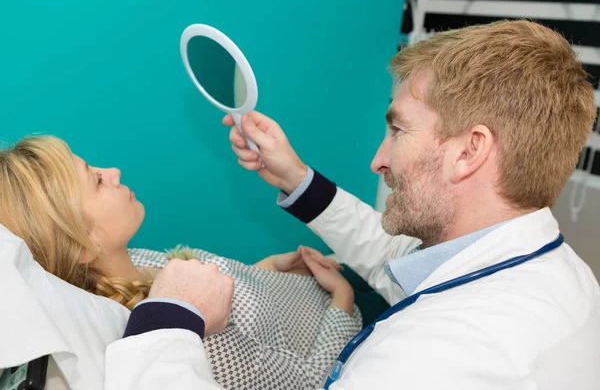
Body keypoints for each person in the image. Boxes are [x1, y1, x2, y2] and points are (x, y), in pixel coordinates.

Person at [105, 19, 600, 389]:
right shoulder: (547, 271)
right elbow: (401, 264)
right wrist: (297, 179)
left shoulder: (435, 357)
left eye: (398, 129)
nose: (377, 160)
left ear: (471, 150)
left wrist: (167, 320)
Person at [0, 135, 368, 389]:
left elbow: (226, 299)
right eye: (96, 181)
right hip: (347, 337)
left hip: (311, 295)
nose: (112, 171)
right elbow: (311, 382)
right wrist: (343, 299)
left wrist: (266, 268)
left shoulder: (133, 263)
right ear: (82, 243)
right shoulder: (191, 334)